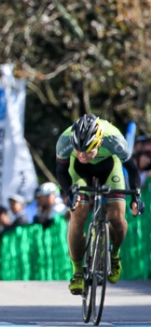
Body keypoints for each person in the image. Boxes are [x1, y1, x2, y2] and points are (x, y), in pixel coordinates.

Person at [55, 113, 142, 295]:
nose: (83, 155)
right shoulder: (65, 141)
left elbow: (133, 170)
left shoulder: (114, 139)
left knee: (117, 217)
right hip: (78, 171)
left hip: (109, 167)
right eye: (78, 150)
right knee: (78, 213)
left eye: (88, 151)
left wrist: (136, 197)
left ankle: (115, 255)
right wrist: (69, 192)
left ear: (99, 142)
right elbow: (62, 171)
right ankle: (78, 271)